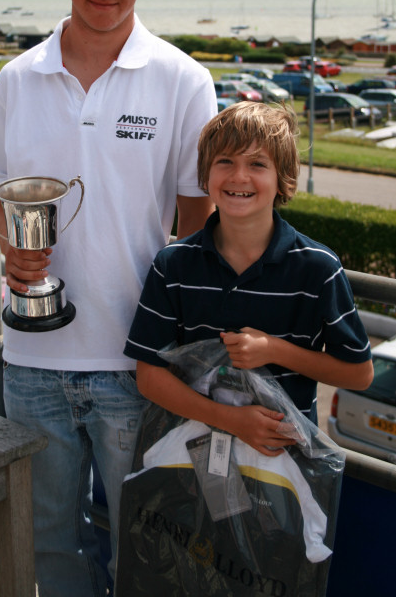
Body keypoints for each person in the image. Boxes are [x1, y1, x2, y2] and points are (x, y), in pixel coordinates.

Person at [0, 0, 218, 597]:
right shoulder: (17, 80)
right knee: (47, 546)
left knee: (141, 552)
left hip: (136, 366)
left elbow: (196, 216)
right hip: (30, 360)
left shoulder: (182, 80)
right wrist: (13, 245)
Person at [124, 101, 374, 455]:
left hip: (287, 469)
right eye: (224, 161)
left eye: (257, 164)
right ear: (205, 175)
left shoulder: (318, 268)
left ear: (282, 178)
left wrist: (274, 350)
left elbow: (358, 373)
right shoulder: (174, 264)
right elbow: (149, 376)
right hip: (188, 465)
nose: (239, 177)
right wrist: (231, 420)